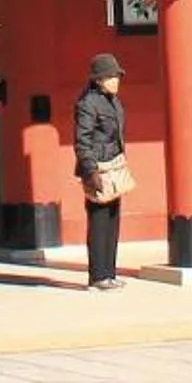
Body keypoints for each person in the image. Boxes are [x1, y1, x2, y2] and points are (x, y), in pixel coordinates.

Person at [73, 53, 130, 291]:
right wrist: (90, 170)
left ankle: (109, 272)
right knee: (98, 222)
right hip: (97, 168)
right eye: (110, 77)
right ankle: (97, 276)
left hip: (114, 167)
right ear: (98, 80)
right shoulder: (88, 104)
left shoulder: (113, 101)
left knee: (112, 220)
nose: (116, 80)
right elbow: (82, 140)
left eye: (117, 76)